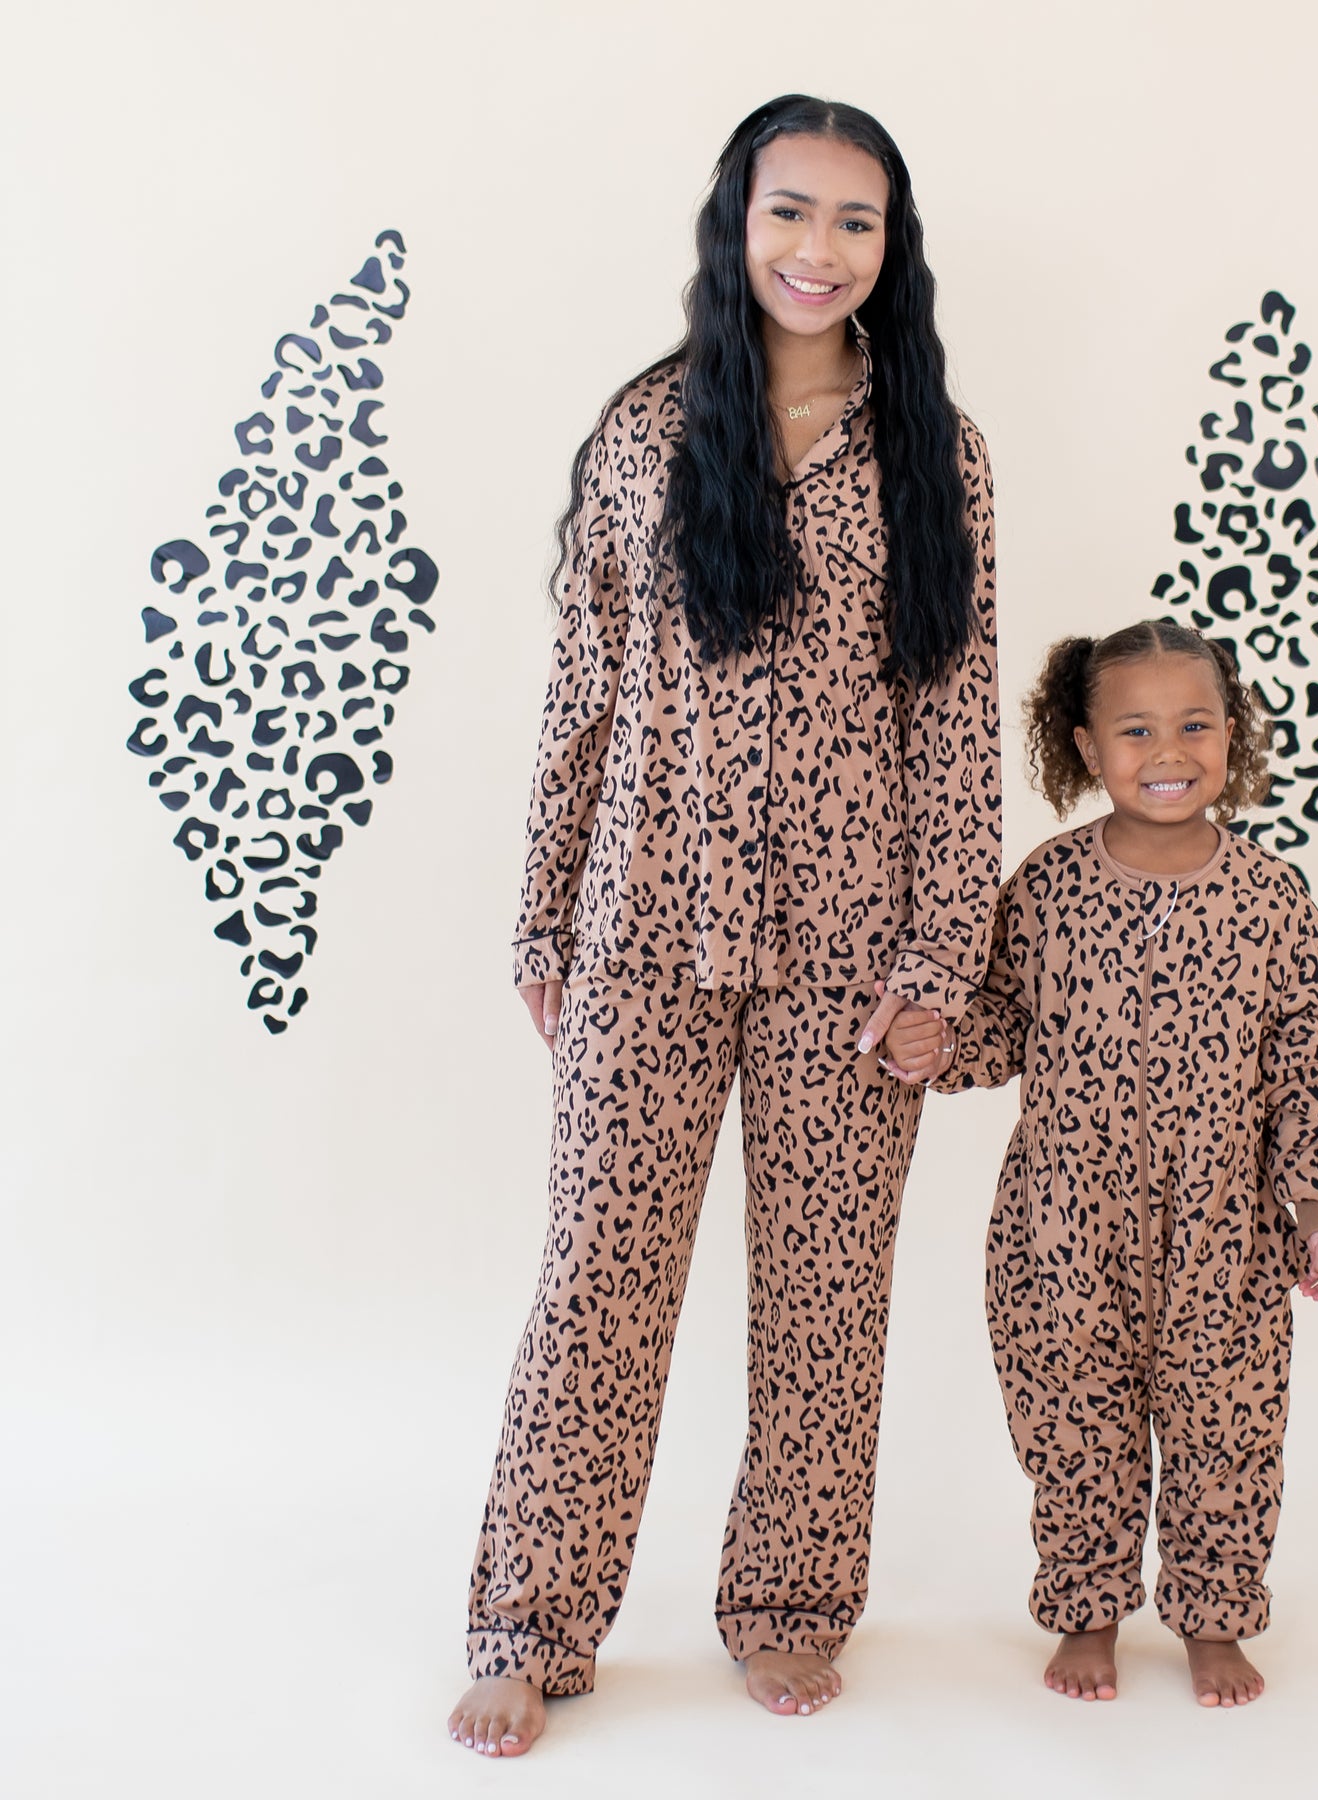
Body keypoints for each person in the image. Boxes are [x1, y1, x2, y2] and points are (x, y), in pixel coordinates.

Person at [448, 94, 1001, 1757]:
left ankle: (789, 1600)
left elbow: (957, 725)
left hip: (858, 952)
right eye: (791, 212)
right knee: (596, 1279)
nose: (818, 251)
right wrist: (543, 918)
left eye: (856, 222)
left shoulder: (936, 454)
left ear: (890, 250)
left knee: (828, 1291)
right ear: (734, 220)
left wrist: (940, 969)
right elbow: (584, 695)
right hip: (640, 929)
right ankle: (529, 1620)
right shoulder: (641, 434)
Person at [881, 619, 1318, 1707]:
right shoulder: (1043, 889)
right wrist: (937, 1044)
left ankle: (1215, 1620)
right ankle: (1087, 1611)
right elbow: (1001, 1029)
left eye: (1195, 725)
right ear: (1089, 750)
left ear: (1232, 737)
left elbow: (1307, 1062)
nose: (1169, 751)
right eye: (1136, 730)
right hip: (1064, 1230)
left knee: (1227, 1431)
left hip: (1224, 1232)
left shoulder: (1274, 898)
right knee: (1074, 1424)